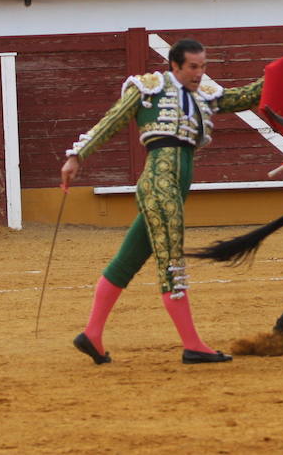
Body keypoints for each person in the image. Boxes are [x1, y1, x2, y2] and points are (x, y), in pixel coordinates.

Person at [63, 37, 262, 366]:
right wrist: (77, 156)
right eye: (193, 67)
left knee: (127, 260)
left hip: (174, 186)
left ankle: (92, 334)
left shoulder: (203, 94)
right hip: (160, 184)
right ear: (175, 65)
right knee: (172, 263)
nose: (199, 73)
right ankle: (193, 345)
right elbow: (112, 121)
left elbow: (244, 97)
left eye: (203, 67)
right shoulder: (148, 88)